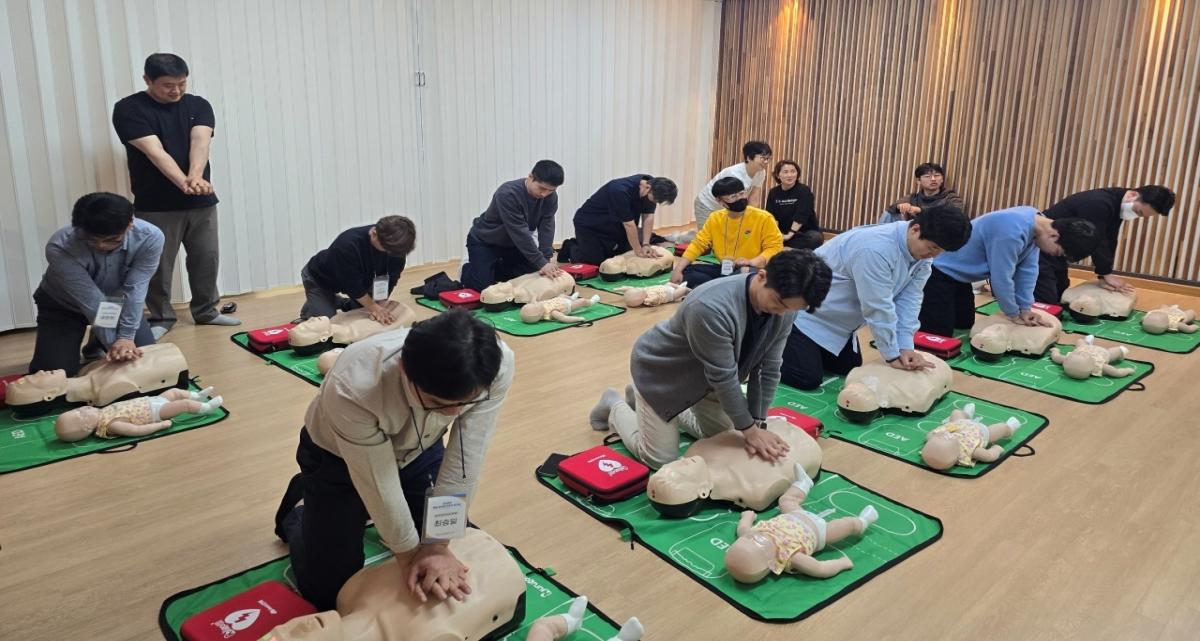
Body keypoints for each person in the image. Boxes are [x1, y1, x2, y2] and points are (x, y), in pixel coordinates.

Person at [273, 309, 514, 610]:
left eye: (465, 404)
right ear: (403, 369)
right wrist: (409, 555)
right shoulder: (354, 385)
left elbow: (466, 457)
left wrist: (437, 545)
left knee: (447, 533)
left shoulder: (496, 365)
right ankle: (301, 507)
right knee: (328, 589)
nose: (453, 413)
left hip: (418, 449)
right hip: (336, 458)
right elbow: (380, 482)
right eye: (438, 404)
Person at [588, 250, 832, 470]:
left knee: (731, 436)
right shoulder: (710, 306)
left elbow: (768, 368)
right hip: (662, 374)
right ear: (762, 276)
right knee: (660, 459)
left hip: (705, 380)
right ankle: (615, 405)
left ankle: (643, 402)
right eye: (779, 303)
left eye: (790, 309)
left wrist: (757, 424)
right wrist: (749, 430)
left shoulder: (784, 310)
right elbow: (723, 378)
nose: (782, 312)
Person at [111, 53, 238, 337]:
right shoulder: (129, 109)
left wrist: (195, 177)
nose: (176, 90)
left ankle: (206, 311)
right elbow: (155, 152)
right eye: (168, 85)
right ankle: (161, 317)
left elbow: (200, 142)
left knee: (206, 258)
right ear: (148, 80)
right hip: (156, 205)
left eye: (181, 83)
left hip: (201, 202)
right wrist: (185, 182)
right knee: (156, 263)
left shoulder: (197, 104)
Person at [781, 205, 972, 390]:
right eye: (933, 248)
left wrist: (905, 346)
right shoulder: (875, 249)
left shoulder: (923, 254)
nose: (934, 255)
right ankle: (772, 345)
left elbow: (910, 300)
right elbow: (877, 306)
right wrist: (891, 355)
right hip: (806, 316)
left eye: (940, 251)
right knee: (807, 378)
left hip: (842, 324)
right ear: (915, 229)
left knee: (847, 368)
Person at [27, 192, 163, 376]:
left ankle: (96, 342)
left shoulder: (150, 238)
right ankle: (97, 338)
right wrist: (114, 347)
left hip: (116, 303)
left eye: (112, 240)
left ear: (130, 224)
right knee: (55, 374)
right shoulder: (60, 246)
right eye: (91, 240)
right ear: (78, 227)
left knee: (147, 363)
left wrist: (124, 338)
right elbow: (91, 300)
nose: (101, 246)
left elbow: (135, 289)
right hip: (63, 306)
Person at [919, 206, 1097, 337]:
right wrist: (1013, 313)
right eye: (1058, 252)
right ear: (1055, 236)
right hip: (940, 273)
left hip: (962, 278)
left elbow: (1028, 270)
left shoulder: (1039, 224)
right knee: (938, 333)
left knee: (964, 324)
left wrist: (1026, 308)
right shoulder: (1011, 231)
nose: (1052, 255)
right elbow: (1001, 278)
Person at [1034, 185, 1175, 303]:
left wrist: (1104, 275)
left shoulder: (1116, 204)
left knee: (1061, 292)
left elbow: (1110, 238)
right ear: (1132, 195)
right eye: (1137, 212)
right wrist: (1105, 273)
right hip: (1042, 245)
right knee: (1046, 298)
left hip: (1059, 251)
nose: (1136, 216)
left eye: (1140, 216)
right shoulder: (1099, 203)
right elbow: (1099, 240)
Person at [460, 160, 564, 291]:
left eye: (551, 190)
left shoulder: (550, 196)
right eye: (542, 188)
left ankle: (493, 267)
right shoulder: (508, 193)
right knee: (483, 287)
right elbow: (519, 232)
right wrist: (542, 262)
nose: (545, 194)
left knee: (533, 274)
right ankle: (468, 268)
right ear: (530, 177)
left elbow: (547, 226)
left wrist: (546, 258)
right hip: (486, 241)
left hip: (512, 244)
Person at [671, 177, 784, 288]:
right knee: (686, 270)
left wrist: (752, 262)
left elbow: (774, 248)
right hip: (726, 268)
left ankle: (715, 287)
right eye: (733, 196)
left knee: (746, 273)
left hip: (753, 268)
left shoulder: (763, 218)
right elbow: (698, 244)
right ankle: (725, 287)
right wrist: (678, 270)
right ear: (720, 201)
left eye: (742, 193)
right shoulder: (715, 218)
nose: (740, 198)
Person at [299, 215, 417, 321]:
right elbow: (353, 286)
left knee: (364, 313)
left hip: (360, 278)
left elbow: (391, 279)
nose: (389, 253)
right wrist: (374, 307)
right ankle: (315, 303)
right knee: (327, 322)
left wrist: (381, 305)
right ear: (374, 233)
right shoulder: (347, 244)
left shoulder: (397, 248)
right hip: (320, 278)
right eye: (386, 250)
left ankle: (335, 302)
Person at [566, 175, 678, 264]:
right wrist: (638, 250)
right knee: (597, 262)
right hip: (590, 225)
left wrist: (646, 244)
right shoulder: (619, 190)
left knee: (621, 255)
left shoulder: (653, 187)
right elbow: (629, 225)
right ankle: (571, 246)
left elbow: (648, 216)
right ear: (647, 188)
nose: (654, 203)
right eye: (655, 200)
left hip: (614, 224)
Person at [693, 141, 772, 230]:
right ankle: (680, 238)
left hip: (725, 208)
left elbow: (754, 197)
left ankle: (687, 236)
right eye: (763, 158)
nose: (766, 162)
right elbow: (729, 200)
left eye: (768, 158)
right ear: (749, 157)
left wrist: (750, 217)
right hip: (707, 204)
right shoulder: (734, 174)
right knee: (708, 239)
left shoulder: (761, 172)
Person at [878, 162, 965, 224]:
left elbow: (953, 215)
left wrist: (920, 210)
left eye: (937, 175)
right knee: (890, 214)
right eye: (927, 176)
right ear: (919, 181)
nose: (933, 179)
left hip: (938, 234)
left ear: (942, 179)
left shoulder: (951, 197)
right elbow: (893, 207)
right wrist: (900, 206)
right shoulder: (913, 198)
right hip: (915, 235)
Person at [765, 160, 822, 250]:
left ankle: (784, 247)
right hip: (782, 233)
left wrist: (789, 235)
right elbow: (772, 216)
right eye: (785, 172)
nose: (790, 175)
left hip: (803, 233)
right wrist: (777, 234)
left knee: (815, 238)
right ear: (777, 175)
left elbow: (801, 215)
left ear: (797, 174)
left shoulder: (804, 190)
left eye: (793, 171)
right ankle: (786, 247)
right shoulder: (773, 192)